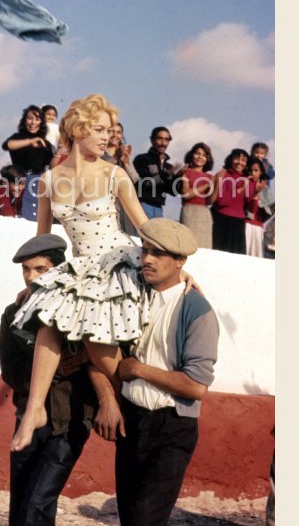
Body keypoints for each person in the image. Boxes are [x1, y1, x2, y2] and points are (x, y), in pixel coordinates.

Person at [9, 94, 185, 454]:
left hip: (119, 263)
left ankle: (144, 411)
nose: (108, 136)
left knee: (109, 361)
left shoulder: (114, 173)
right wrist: (35, 285)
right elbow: (44, 241)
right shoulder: (48, 179)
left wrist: (178, 269)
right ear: (77, 129)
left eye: (109, 130)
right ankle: (35, 411)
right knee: (47, 318)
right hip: (80, 266)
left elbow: (145, 227)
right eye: (100, 129)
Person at [0, 234, 123, 526]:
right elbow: (11, 372)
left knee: (39, 502)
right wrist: (60, 366)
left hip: (70, 421)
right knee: (21, 504)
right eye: (26, 270)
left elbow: (98, 361)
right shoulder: (14, 315)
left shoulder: (83, 310)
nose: (30, 277)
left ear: (57, 270)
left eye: (39, 269)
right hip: (28, 414)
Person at [115, 218, 220, 526]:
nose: (147, 259)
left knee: (146, 519)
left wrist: (138, 369)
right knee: (129, 517)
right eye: (145, 250)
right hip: (131, 419)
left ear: (180, 262)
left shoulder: (198, 311)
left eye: (158, 254)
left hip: (171, 427)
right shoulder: (134, 289)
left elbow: (196, 386)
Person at [2, 106, 55, 221]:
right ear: (24, 120)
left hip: (38, 183)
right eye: (29, 118)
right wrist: (31, 141)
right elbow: (7, 145)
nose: (33, 123)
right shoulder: (18, 138)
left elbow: (51, 165)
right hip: (21, 181)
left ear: (42, 122)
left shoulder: (46, 144)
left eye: (37, 119)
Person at [209, 148, 253, 255]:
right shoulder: (224, 175)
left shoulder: (247, 179)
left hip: (239, 222)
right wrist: (240, 189)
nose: (239, 162)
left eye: (243, 160)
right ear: (231, 160)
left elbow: (251, 207)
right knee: (220, 254)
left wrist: (256, 193)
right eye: (236, 159)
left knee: (237, 258)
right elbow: (221, 201)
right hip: (221, 219)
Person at [132, 126, 179, 220]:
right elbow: (143, 184)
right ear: (152, 140)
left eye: (166, 139)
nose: (163, 143)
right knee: (140, 234)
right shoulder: (142, 159)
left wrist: (180, 176)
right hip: (142, 205)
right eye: (159, 138)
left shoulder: (168, 167)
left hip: (159, 209)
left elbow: (173, 192)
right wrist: (165, 174)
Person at [103, 122, 139, 236]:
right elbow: (100, 173)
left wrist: (126, 162)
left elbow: (134, 178)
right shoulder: (100, 153)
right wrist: (115, 158)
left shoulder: (124, 154)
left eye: (119, 132)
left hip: (123, 201)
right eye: (112, 131)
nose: (115, 135)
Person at [177, 142, 215, 249]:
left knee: (204, 247)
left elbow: (210, 201)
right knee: (187, 244)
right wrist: (206, 185)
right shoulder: (186, 172)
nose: (200, 157)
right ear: (191, 154)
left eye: (204, 155)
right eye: (197, 153)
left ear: (208, 158)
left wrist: (216, 184)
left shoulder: (209, 176)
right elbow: (186, 194)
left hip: (205, 212)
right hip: (189, 210)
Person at [244, 157, 270, 257]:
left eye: (256, 170)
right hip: (246, 224)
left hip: (259, 226)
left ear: (260, 172)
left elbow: (269, 210)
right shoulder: (245, 184)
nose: (253, 173)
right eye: (250, 170)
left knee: (257, 256)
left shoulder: (265, 188)